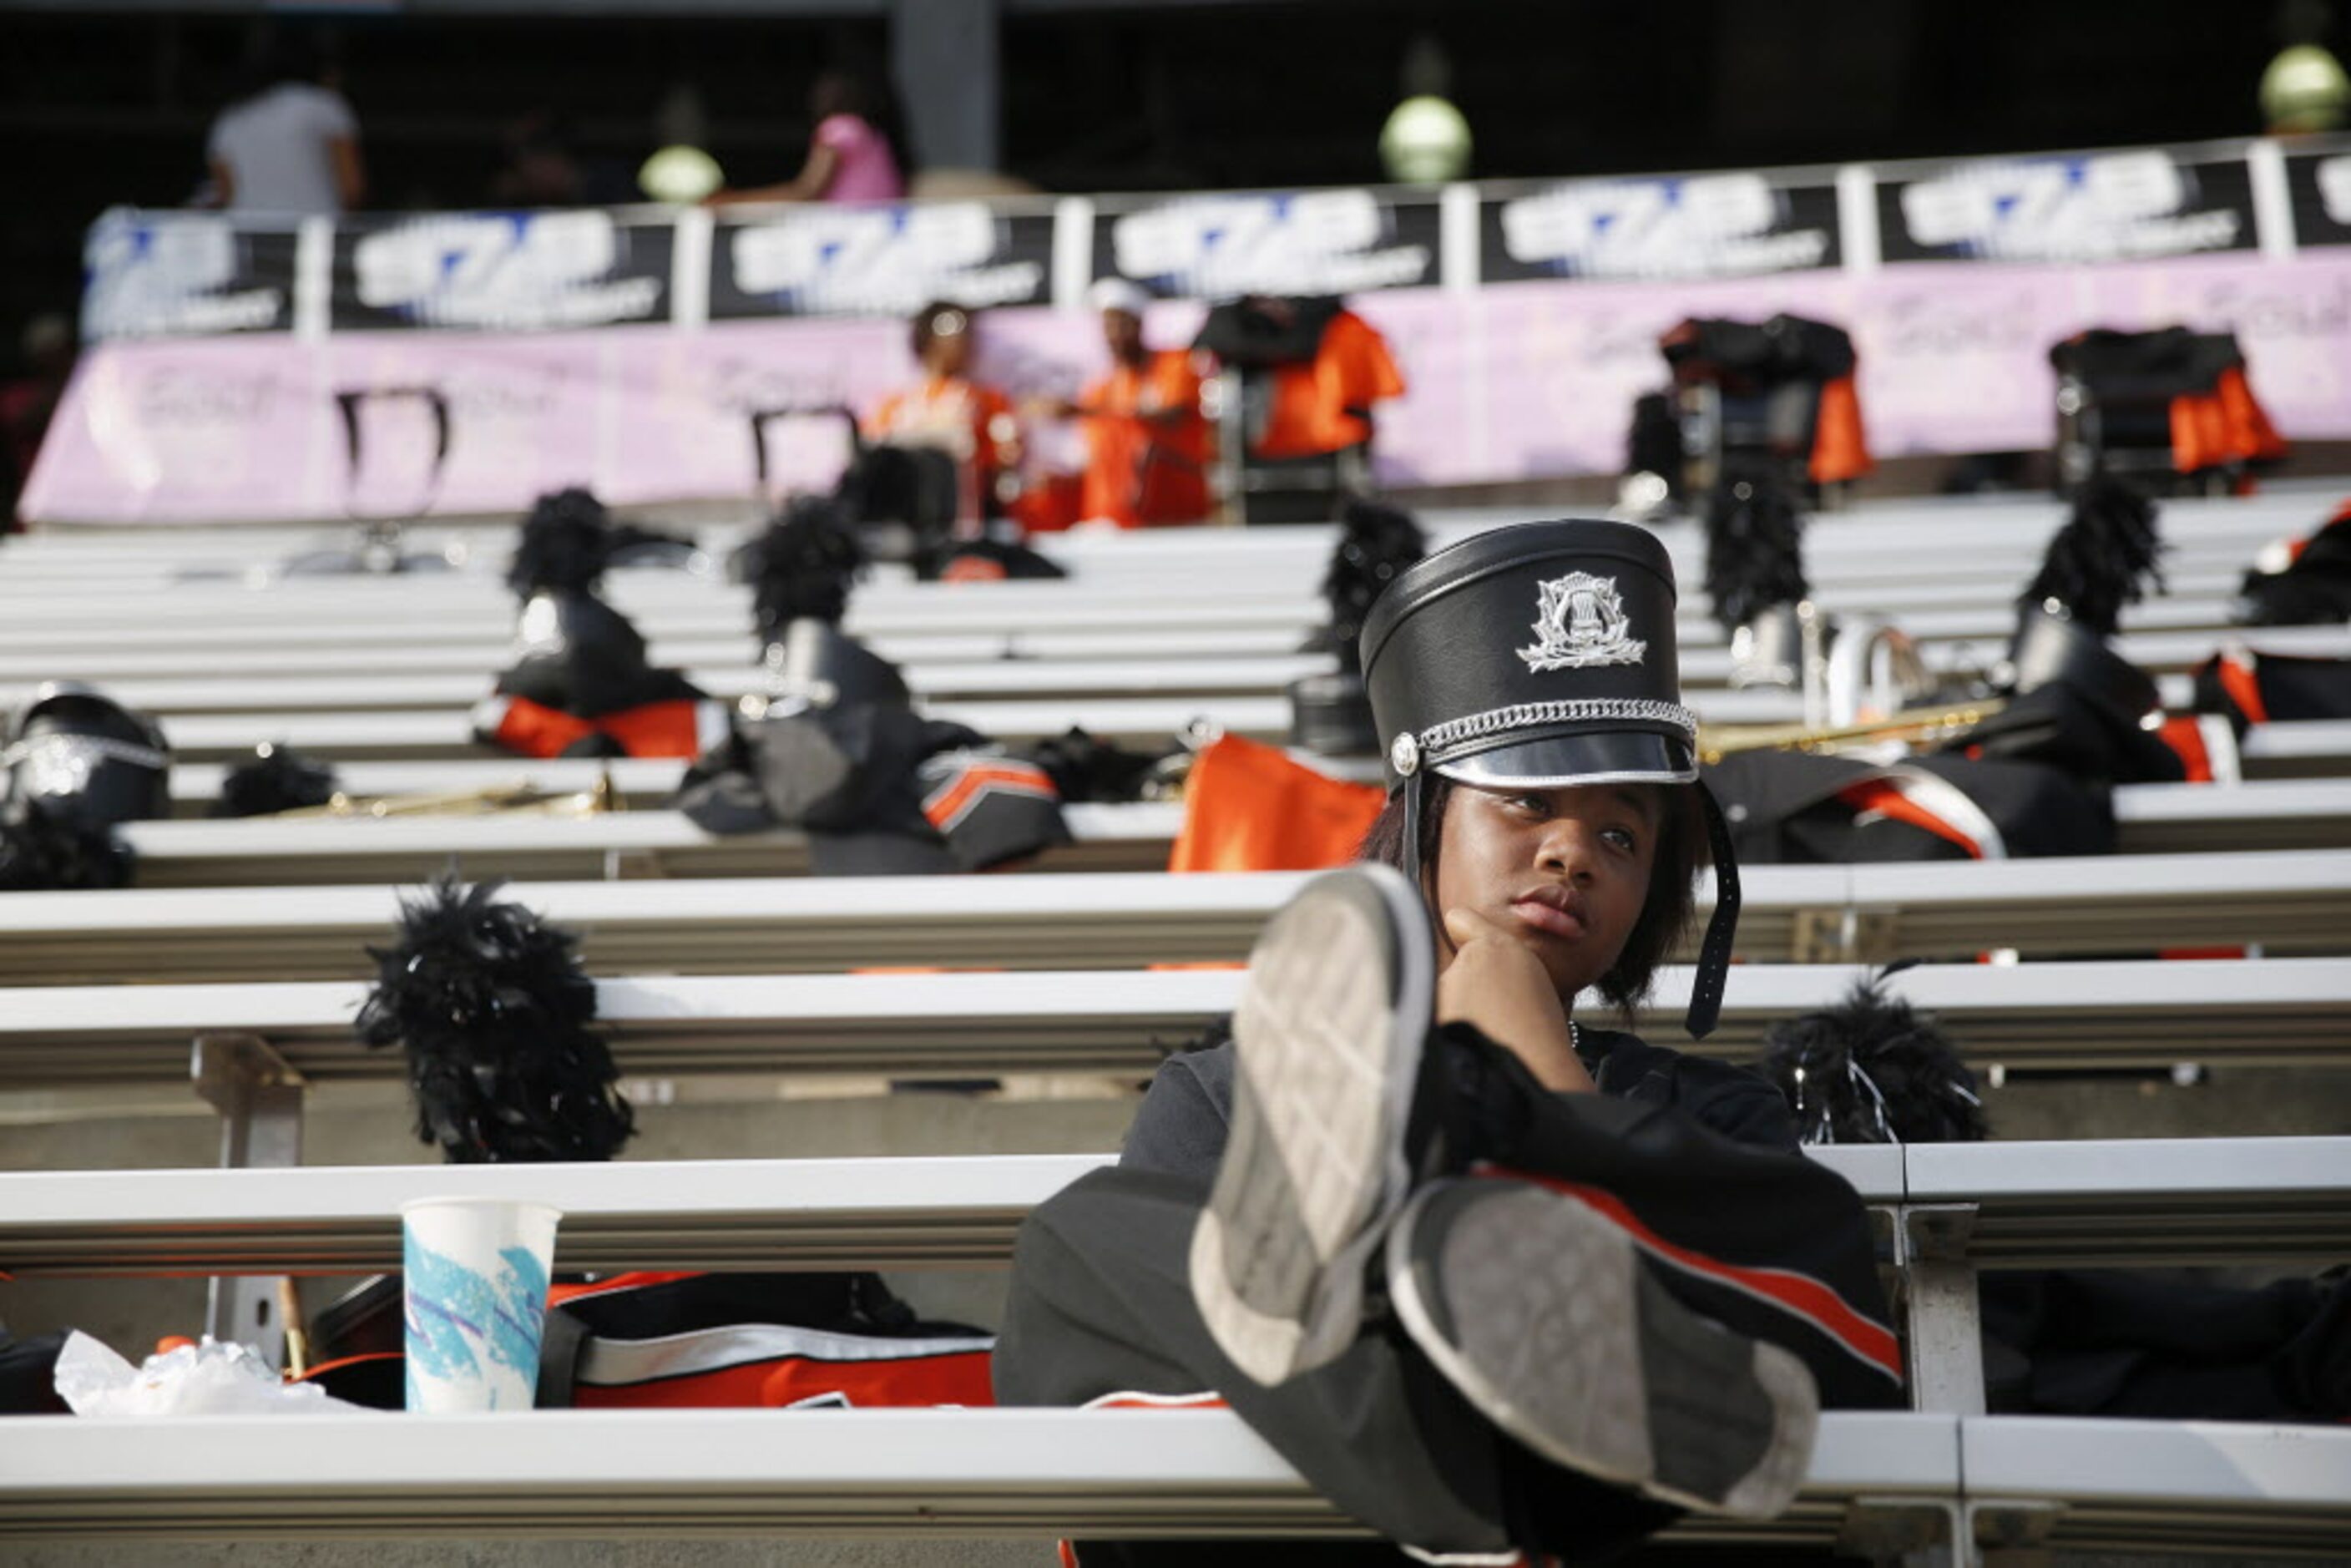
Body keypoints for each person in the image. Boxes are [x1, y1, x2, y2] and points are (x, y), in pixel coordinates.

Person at [993, 519, 1903, 1565]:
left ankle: (1434, 1319)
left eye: (1621, 835)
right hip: (1327, 1536)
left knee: (1814, 1223)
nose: (1570, 853)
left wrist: (1534, 1073)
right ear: (1422, 819)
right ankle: (1447, 1373)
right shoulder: (1230, 1091)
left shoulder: (1711, 1111)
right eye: (1524, 801)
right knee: (1079, 1240)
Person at [1029, 280, 1212, 529]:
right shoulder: (1101, 389)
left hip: (1174, 498)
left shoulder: (1174, 364)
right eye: (1108, 325)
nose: (1114, 334)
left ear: (1139, 325)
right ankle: (1104, 516)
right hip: (1114, 519)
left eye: (1122, 323)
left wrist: (1084, 412)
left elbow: (1173, 416)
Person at [865, 301, 1021, 524]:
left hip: (966, 520)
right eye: (949, 330)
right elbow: (875, 455)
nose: (961, 340)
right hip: (905, 521)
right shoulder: (897, 405)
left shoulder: (988, 401)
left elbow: (1004, 463)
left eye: (966, 332)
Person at [204, 29, 364, 216]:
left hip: (248, 234)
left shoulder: (231, 117)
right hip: (314, 235)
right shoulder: (325, 106)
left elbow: (225, 195)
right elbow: (352, 189)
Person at [705, 68, 906, 207]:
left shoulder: (837, 130)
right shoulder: (871, 134)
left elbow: (806, 190)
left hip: (848, 233)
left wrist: (732, 201)